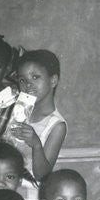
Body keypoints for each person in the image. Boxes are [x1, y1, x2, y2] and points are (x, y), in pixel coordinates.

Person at [10, 49, 66, 185]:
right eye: (22, 80)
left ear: (53, 81)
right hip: (5, 186)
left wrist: (36, 144)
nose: (28, 84)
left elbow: (42, 175)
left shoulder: (57, 125)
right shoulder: (16, 111)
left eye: (35, 77)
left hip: (29, 195)